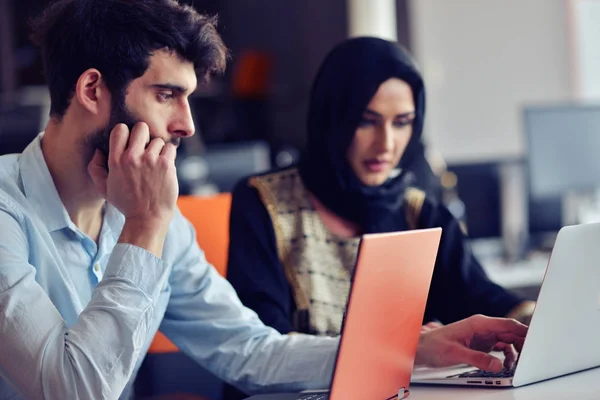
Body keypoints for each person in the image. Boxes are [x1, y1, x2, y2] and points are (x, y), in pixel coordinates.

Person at [0, 2, 527, 399]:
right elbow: (72, 389)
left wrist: (410, 350)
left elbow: (252, 349)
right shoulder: (26, 213)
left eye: (188, 98)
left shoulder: (156, 221)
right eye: (166, 96)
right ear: (92, 91)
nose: (186, 124)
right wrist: (144, 225)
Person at [227, 37, 535, 339]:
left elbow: (480, 297)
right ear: (332, 119)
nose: (386, 144)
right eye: (366, 121)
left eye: (402, 122)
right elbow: (262, 346)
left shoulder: (417, 211)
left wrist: (533, 320)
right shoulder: (263, 202)